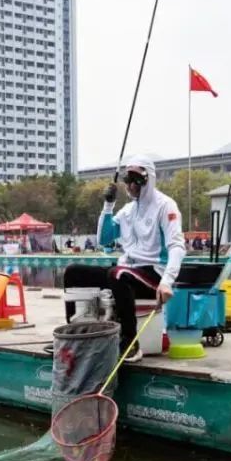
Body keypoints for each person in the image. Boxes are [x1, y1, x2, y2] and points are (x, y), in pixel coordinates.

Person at [62, 155, 185, 363]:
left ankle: (130, 343)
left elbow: (177, 246)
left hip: (153, 274)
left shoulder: (166, 206)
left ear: (148, 179)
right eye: (127, 179)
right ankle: (76, 335)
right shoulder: (127, 211)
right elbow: (104, 239)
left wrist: (167, 282)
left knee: (118, 274)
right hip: (126, 271)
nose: (130, 184)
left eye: (135, 179)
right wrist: (108, 205)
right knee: (73, 272)